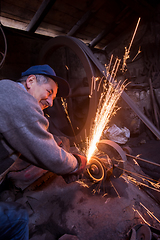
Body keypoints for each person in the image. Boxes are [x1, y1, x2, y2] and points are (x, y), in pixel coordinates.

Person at [0, 64, 87, 239]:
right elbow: (51, 157)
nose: (50, 102)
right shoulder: (16, 96)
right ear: (31, 81)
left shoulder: (5, 91)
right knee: (18, 219)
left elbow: (25, 137)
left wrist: (51, 143)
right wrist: (76, 163)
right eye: (49, 92)